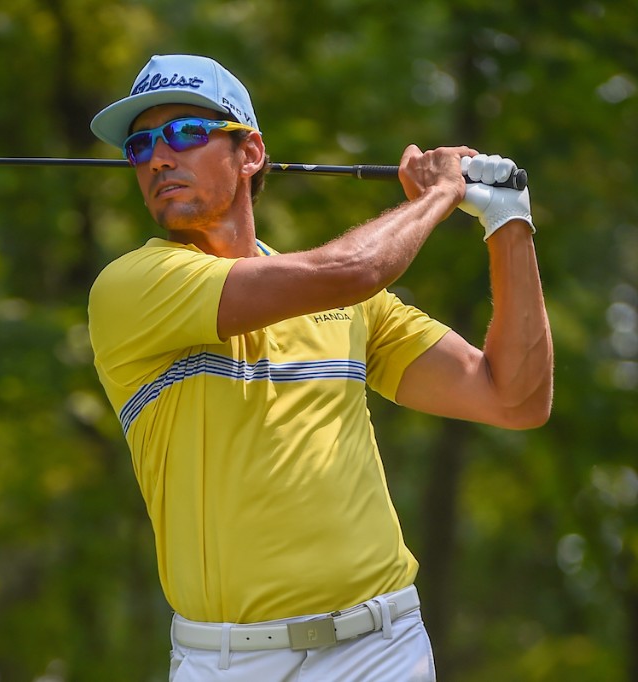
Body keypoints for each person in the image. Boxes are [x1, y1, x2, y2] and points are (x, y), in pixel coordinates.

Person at [86, 54, 553, 681]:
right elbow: (351, 270)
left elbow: (515, 399)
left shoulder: (351, 306)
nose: (159, 158)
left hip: (380, 648)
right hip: (225, 661)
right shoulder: (132, 287)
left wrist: (507, 220)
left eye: (186, 133)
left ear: (249, 153)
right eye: (140, 146)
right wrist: (443, 194)